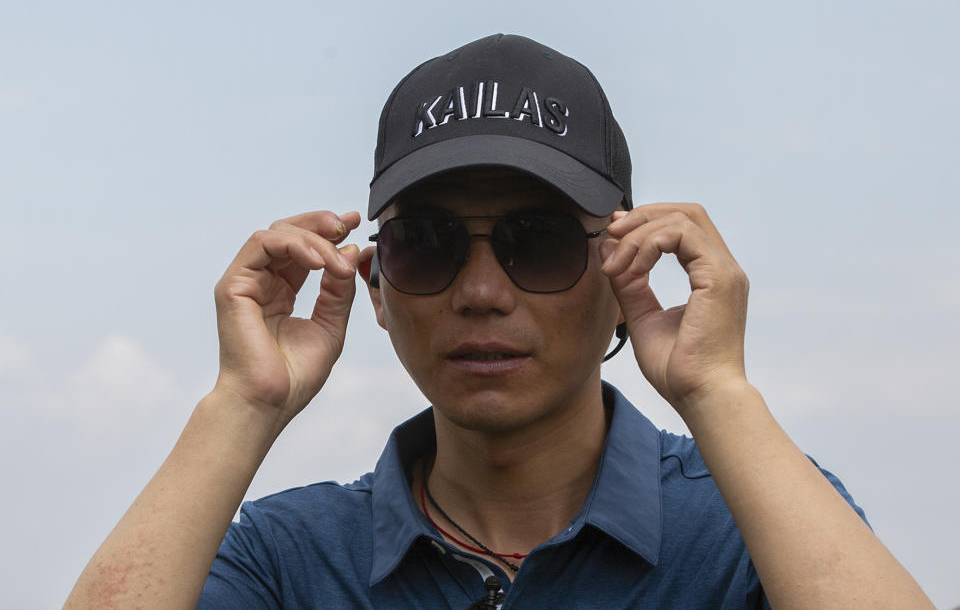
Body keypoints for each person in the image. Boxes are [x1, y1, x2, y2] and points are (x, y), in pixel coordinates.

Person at [64, 34, 933, 609]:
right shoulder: (293, 559)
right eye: (430, 243)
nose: (481, 290)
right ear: (373, 285)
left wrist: (719, 390)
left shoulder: (752, 525)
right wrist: (241, 402)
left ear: (624, 270)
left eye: (541, 241)